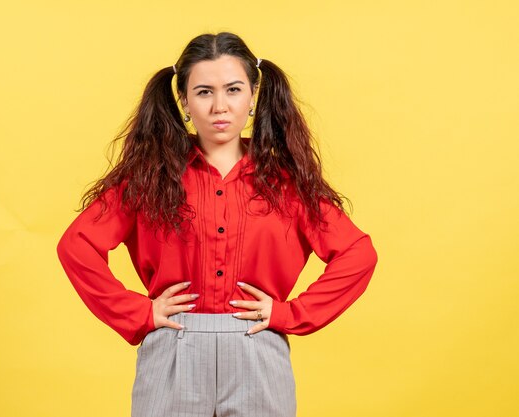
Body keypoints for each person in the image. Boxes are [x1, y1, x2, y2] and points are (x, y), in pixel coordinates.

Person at [56, 31, 378, 417]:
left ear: (254, 95)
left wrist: (290, 314)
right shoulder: (149, 177)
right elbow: (76, 245)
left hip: (256, 348)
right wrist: (139, 313)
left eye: (233, 89)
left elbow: (358, 254)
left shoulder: (286, 183)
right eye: (205, 91)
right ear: (184, 101)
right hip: (173, 347)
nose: (220, 106)